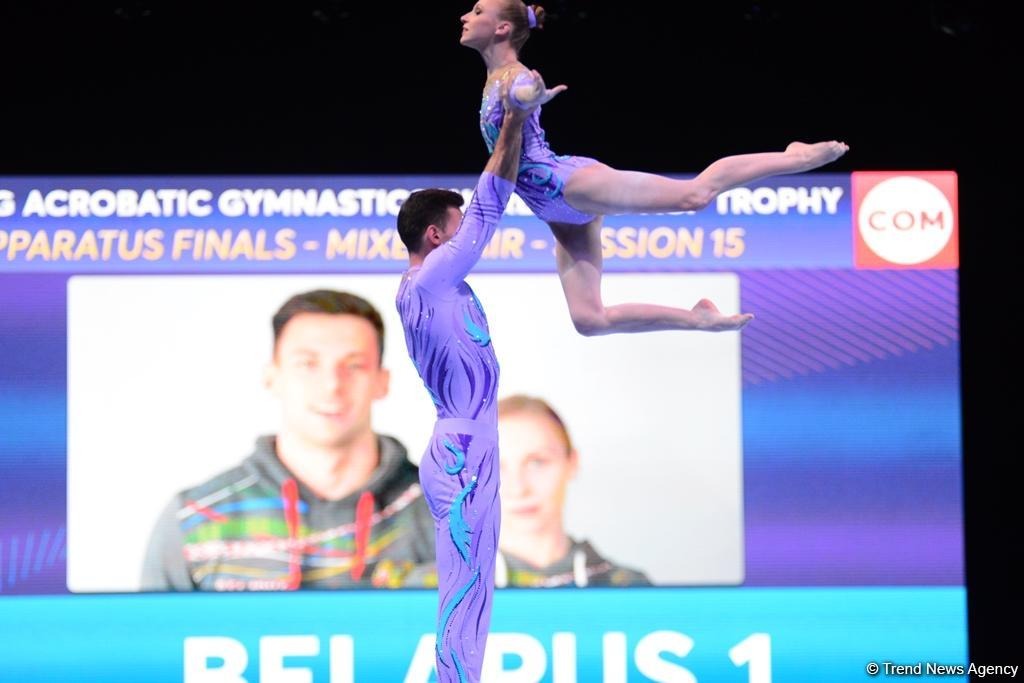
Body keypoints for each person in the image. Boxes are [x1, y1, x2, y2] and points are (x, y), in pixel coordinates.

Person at [460, 0, 849, 335]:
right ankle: (698, 319)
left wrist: (530, 96)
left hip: (568, 185)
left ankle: (795, 156)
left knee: (695, 195)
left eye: (477, 11)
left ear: (502, 28)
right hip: (555, 212)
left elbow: (522, 91)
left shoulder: (514, 75)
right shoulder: (492, 78)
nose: (465, 16)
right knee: (589, 320)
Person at [395, 74, 557, 683]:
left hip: (464, 445)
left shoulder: (430, 285)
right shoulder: (432, 279)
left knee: (473, 593)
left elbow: (484, 209)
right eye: (457, 229)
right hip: (464, 451)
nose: (469, 237)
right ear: (435, 237)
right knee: (466, 598)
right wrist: (514, 119)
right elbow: (490, 204)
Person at [140, 290, 435, 591]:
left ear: (382, 382)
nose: (332, 385)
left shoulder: (447, 513)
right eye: (307, 364)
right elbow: (151, 623)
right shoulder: (196, 517)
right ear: (272, 377)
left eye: (354, 365)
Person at [495, 395, 650, 587]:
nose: (518, 489)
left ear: (572, 463)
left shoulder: (631, 589)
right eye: (494, 467)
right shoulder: (458, 595)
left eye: (537, 462)